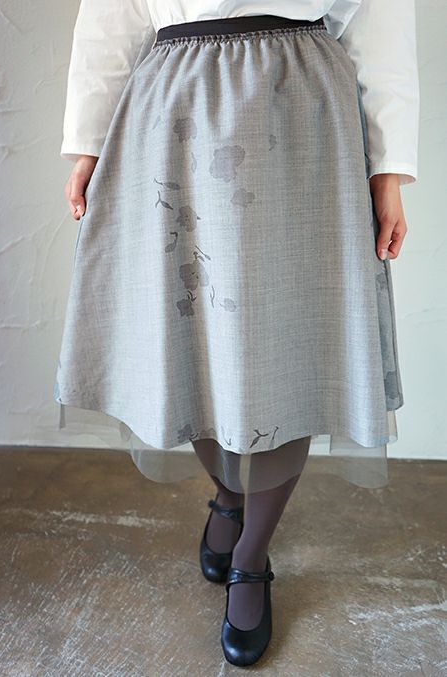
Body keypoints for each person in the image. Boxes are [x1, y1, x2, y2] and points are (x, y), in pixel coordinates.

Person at [54, 0, 419, 667]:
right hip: (175, 104)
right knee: (188, 327)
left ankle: (252, 553)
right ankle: (228, 495)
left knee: (298, 338)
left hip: (302, 102)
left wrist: (389, 170)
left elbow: (383, 16)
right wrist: (87, 141)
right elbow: (111, 11)